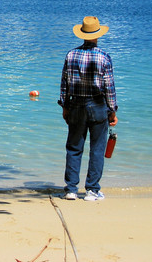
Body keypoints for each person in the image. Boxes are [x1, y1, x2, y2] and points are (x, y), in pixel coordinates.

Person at [59, 16, 118, 201]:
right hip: (98, 105)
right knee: (97, 148)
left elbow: (64, 84)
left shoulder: (71, 55)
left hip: (76, 104)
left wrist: (64, 105)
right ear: (97, 35)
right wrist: (113, 110)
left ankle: (71, 189)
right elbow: (109, 87)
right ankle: (92, 190)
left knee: (74, 147)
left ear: (82, 34)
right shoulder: (104, 57)